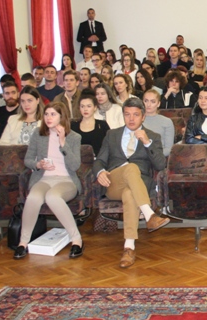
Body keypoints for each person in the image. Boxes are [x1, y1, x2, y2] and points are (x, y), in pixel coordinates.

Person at [94, 98, 170, 268]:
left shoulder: (153, 136)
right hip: (114, 182)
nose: (131, 119)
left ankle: (129, 247)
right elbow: (99, 160)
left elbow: (160, 165)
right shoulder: (112, 135)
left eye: (136, 115)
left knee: (130, 193)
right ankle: (149, 214)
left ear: (143, 117)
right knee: (131, 167)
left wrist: (147, 143)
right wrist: (100, 172)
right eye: (127, 114)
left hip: (138, 185)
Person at [13, 102, 84, 260]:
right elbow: (28, 159)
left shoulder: (74, 137)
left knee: (53, 197)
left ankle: (77, 240)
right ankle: (23, 242)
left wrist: (63, 142)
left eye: (53, 114)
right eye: (46, 114)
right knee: (33, 197)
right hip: (44, 179)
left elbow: (75, 165)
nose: (48, 118)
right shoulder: (38, 134)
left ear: (61, 116)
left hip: (66, 180)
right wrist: (38, 164)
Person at [71, 92, 109, 156]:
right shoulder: (73, 126)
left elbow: (109, 146)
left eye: (89, 106)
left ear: (95, 107)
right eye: (82, 106)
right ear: (79, 108)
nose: (85, 109)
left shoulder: (102, 125)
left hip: (99, 160)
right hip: (78, 160)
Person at [141, 90, 175, 156]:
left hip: (157, 157)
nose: (148, 104)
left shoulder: (167, 122)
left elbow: (169, 149)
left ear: (158, 104)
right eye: (146, 101)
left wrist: (152, 155)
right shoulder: (135, 120)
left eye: (153, 101)